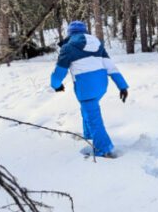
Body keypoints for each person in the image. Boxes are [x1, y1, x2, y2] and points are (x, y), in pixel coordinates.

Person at [51, 20, 129, 158]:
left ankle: (103, 149)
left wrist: (56, 85)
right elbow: (110, 67)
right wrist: (122, 86)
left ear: (69, 33)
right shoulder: (98, 45)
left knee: (94, 118)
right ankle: (89, 135)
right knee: (87, 108)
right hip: (101, 85)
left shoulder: (68, 48)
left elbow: (59, 72)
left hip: (86, 88)